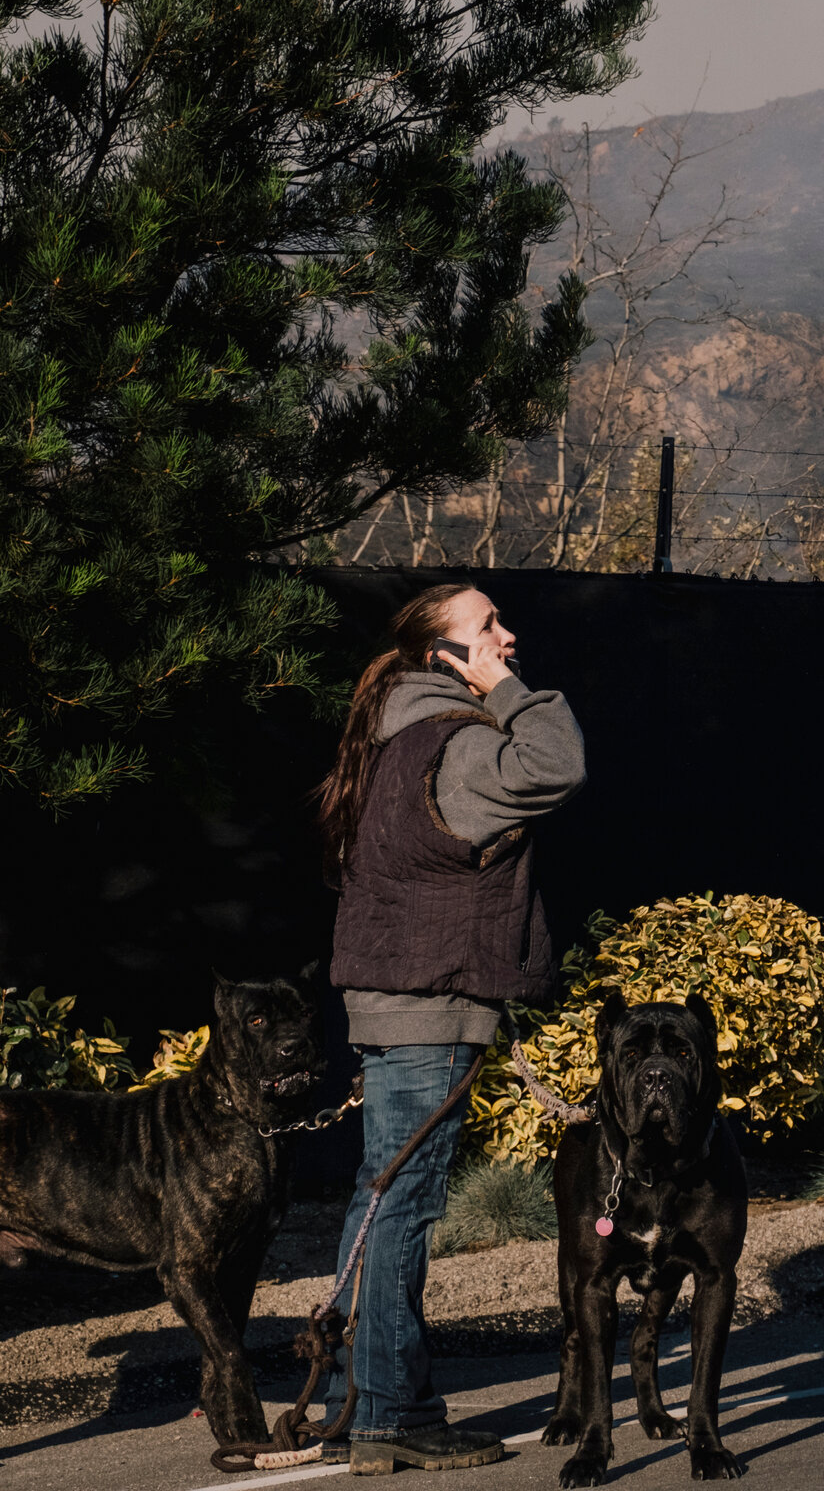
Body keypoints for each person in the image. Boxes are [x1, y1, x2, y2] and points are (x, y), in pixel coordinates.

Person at [313, 581, 586, 1472]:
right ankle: (390, 1414)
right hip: (428, 1005)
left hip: (398, 1003)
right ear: (443, 656)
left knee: (381, 1194)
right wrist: (503, 693)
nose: (509, 637)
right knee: (405, 1202)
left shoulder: (387, 741)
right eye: (487, 629)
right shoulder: (459, 748)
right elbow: (556, 762)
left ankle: (370, 1404)